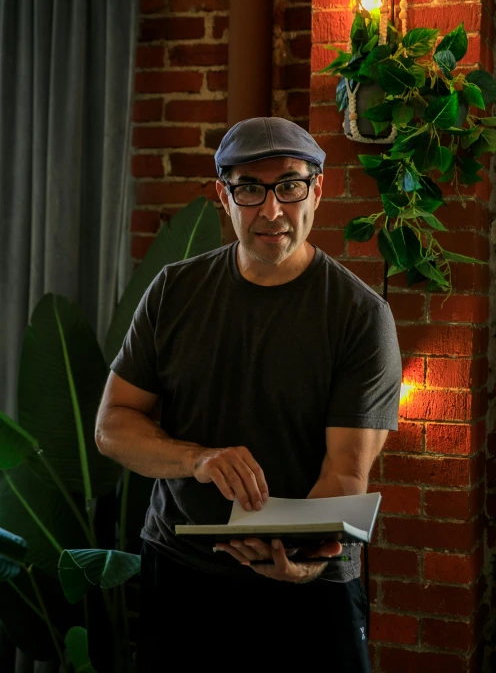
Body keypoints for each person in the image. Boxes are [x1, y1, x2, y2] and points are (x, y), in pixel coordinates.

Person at [95, 116, 402, 672]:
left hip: (313, 584)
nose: (272, 210)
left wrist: (303, 560)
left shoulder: (360, 316)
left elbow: (346, 473)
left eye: (289, 185)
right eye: (250, 188)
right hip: (184, 571)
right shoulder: (174, 291)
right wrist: (199, 458)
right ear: (224, 194)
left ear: (318, 189)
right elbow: (113, 426)